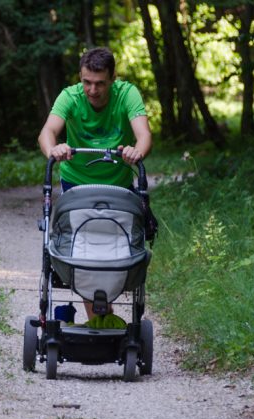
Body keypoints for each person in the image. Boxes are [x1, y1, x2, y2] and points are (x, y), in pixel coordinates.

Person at [37, 47, 152, 320]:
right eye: (87, 82)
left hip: (118, 186)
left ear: (113, 78)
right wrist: (54, 150)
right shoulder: (70, 96)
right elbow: (47, 132)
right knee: (85, 247)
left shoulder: (127, 94)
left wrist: (137, 151)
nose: (92, 90)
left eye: (100, 83)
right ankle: (100, 318)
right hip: (76, 187)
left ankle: (103, 316)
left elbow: (143, 134)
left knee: (113, 248)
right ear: (80, 77)